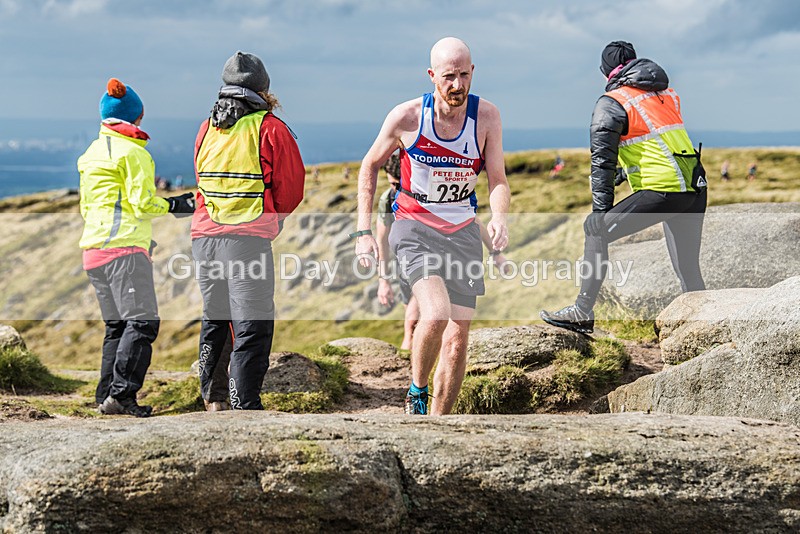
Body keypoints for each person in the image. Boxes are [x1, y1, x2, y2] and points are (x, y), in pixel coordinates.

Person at [355, 37, 510, 415]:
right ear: (431, 76)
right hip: (414, 228)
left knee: (457, 342)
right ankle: (417, 390)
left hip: (463, 231)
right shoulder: (407, 117)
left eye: (463, 75)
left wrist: (500, 218)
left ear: (473, 72)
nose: (457, 85)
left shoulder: (486, 116)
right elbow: (369, 165)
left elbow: (498, 179)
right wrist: (363, 233)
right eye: (448, 77)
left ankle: (440, 426)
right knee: (436, 312)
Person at [540, 41, 707, 334]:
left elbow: (601, 162)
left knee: (596, 230)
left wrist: (600, 211)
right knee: (690, 274)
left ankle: (581, 310)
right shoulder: (666, 93)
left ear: (605, 71)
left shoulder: (612, 101)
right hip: (694, 188)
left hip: (663, 190)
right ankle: (704, 330)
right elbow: (655, 144)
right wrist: (624, 173)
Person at [191, 51, 305, 410]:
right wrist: (274, 218)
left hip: (203, 240)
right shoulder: (270, 128)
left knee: (216, 318)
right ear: (263, 89)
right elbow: (291, 189)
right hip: (246, 241)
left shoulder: (207, 127)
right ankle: (245, 405)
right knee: (251, 324)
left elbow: (200, 178)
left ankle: (214, 399)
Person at [78, 78, 195, 417]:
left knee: (116, 326)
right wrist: (175, 206)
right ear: (137, 117)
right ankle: (122, 396)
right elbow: (141, 203)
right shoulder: (134, 153)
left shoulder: (91, 153)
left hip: (94, 250)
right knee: (142, 322)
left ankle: (105, 396)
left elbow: (91, 206)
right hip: (123, 251)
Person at [376, 153, 511, 350]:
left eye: (398, 184)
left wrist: (495, 253)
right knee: (413, 320)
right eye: (392, 184)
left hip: (443, 251)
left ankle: (422, 364)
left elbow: (472, 219)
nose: (395, 189)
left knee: (423, 316)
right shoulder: (388, 199)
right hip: (408, 255)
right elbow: (382, 240)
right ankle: (409, 363)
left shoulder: (431, 190)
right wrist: (383, 281)